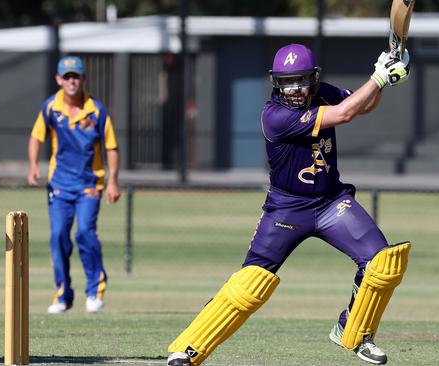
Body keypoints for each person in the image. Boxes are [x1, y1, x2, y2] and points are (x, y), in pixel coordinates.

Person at [166, 44, 412, 366]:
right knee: (249, 284)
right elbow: (346, 113)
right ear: (276, 82)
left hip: (331, 202)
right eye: (287, 81)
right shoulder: (276, 116)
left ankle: (354, 330)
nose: (295, 89)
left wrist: (384, 74)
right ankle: (188, 348)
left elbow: (363, 106)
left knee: (382, 263)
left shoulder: (321, 92)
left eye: (301, 80)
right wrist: (379, 78)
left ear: (313, 78)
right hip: (286, 209)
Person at [27, 55, 121, 314]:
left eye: (75, 76)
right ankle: (63, 294)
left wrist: (113, 181)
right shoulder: (50, 107)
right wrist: (34, 165)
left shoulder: (98, 111)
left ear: (83, 79)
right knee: (58, 236)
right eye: (66, 77)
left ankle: (94, 291)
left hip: (90, 185)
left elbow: (111, 147)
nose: (71, 81)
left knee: (85, 233)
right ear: (58, 79)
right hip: (59, 185)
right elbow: (36, 137)